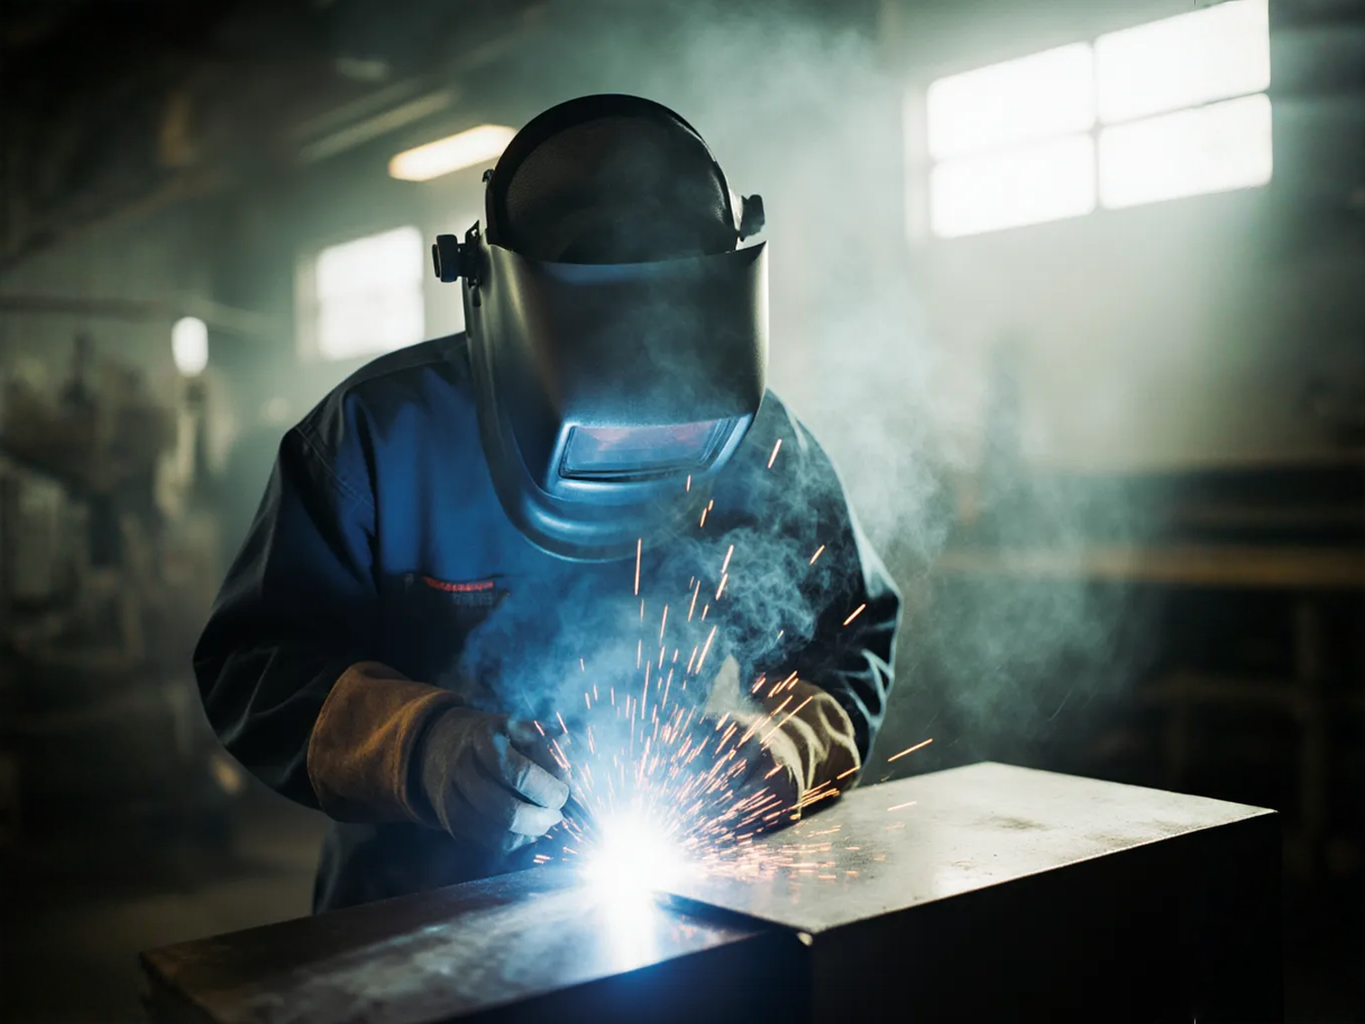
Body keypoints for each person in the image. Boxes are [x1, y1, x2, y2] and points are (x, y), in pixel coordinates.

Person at [194, 94, 900, 913]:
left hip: (686, 892)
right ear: (499, 292)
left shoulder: (760, 438)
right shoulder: (380, 437)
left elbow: (853, 636)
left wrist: (781, 744)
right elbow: (254, 668)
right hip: (412, 904)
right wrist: (426, 748)